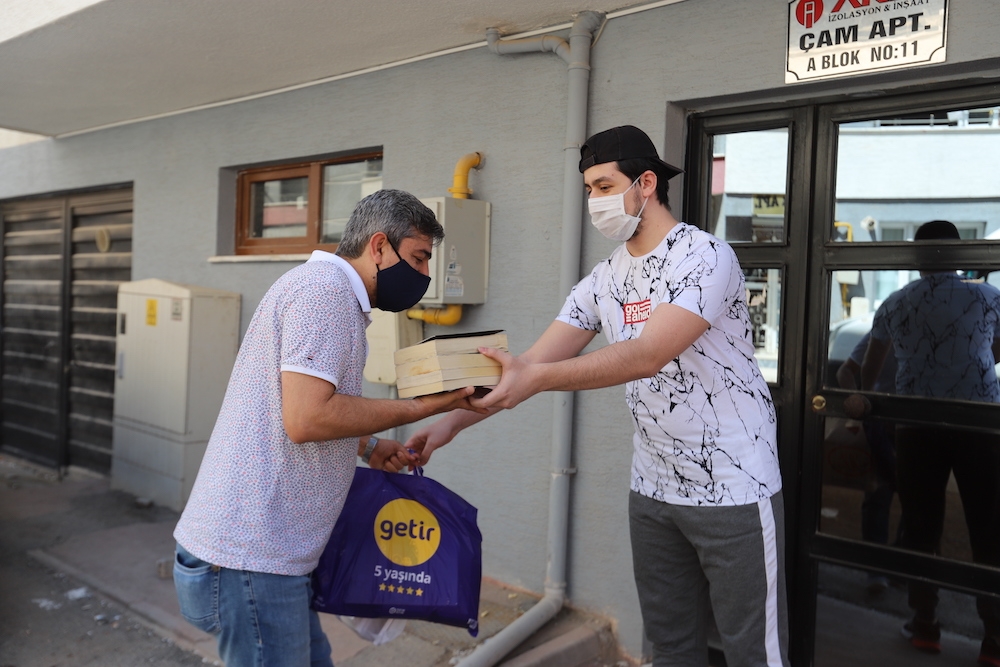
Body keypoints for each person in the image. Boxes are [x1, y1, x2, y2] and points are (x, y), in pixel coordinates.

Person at [408, 126, 788, 667]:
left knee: (755, 654)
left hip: (735, 486)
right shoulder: (603, 279)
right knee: (670, 647)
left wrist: (537, 379)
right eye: (589, 189)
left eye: (605, 186)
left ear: (646, 183)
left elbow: (647, 354)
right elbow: (529, 366)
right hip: (653, 489)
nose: (595, 201)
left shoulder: (704, 256)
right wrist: (446, 424)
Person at [172, 189, 484, 667]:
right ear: (378, 246)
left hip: (265, 554)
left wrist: (369, 446)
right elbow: (307, 418)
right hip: (253, 556)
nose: (424, 275)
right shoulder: (325, 295)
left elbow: (297, 406)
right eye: (419, 258)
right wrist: (420, 407)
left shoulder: (327, 292)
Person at [860, 220, 1000, 664]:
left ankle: (925, 625)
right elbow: (996, 348)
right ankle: (994, 641)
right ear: (959, 255)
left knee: (922, 527)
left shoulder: (896, 302)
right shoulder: (988, 296)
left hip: (916, 425)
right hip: (979, 422)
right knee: (989, 528)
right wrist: (968, 365)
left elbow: (869, 372)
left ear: (917, 257)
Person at [836, 331, 899, 593]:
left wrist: (859, 400)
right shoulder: (884, 331)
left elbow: (845, 371)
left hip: (890, 423)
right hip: (888, 424)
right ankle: (884, 569)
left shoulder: (884, 331)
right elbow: (845, 371)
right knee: (886, 496)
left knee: (884, 497)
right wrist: (859, 402)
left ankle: (885, 569)